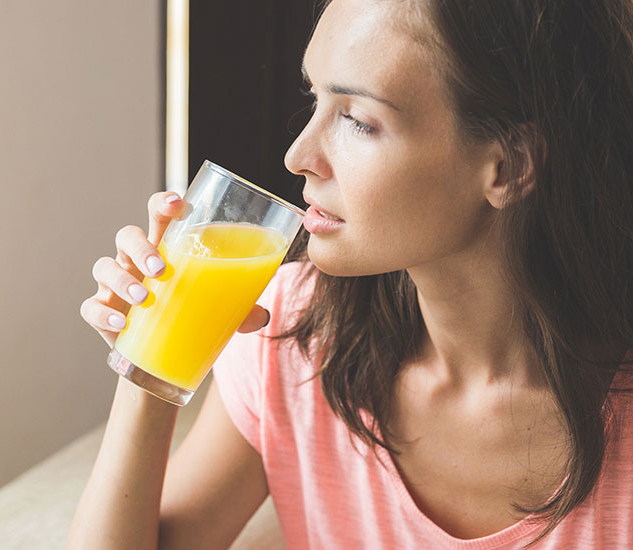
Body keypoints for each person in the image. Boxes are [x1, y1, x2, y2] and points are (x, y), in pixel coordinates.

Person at [69, 0, 633, 548]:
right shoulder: (297, 333)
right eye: (313, 98)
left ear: (508, 166)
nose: (297, 154)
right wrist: (150, 355)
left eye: (359, 121)